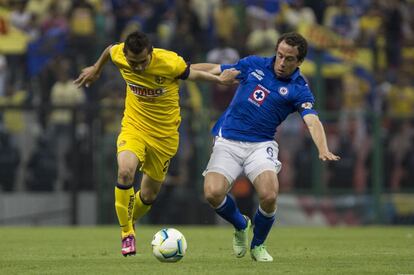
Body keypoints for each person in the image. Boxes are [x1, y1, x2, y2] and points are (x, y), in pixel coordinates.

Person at [74, 31, 239, 256]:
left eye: (142, 62)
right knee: (125, 172)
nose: (138, 68)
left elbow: (195, 74)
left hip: (164, 137)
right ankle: (127, 233)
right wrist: (96, 69)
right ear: (126, 55)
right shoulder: (119, 54)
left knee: (148, 195)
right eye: (133, 63)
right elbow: (109, 50)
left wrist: (219, 79)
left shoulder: (169, 62)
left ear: (150, 53)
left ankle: (127, 216)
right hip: (134, 127)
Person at [191, 32, 340, 262]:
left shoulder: (299, 88)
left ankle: (258, 245)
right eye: (280, 55)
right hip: (228, 140)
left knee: (269, 195)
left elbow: (312, 119)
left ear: (299, 62)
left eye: (289, 58)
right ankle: (241, 225)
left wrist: (323, 148)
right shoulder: (253, 64)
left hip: (261, 144)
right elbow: (216, 69)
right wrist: (183, 69)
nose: (281, 62)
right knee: (212, 193)